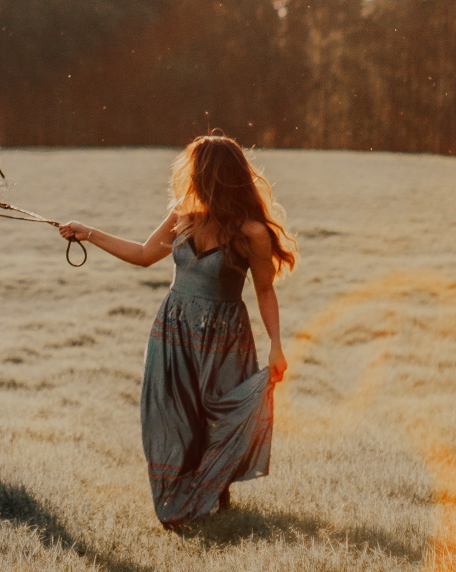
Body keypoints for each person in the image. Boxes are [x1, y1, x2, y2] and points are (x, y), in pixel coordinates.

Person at [59, 134, 296, 529]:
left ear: (216, 176)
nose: (190, 179)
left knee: (214, 415)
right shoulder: (183, 217)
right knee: (171, 415)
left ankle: (214, 491)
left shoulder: (251, 232)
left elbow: (265, 290)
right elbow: (142, 255)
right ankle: (180, 500)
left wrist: (276, 346)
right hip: (173, 331)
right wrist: (88, 233)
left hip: (223, 337)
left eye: (198, 171)